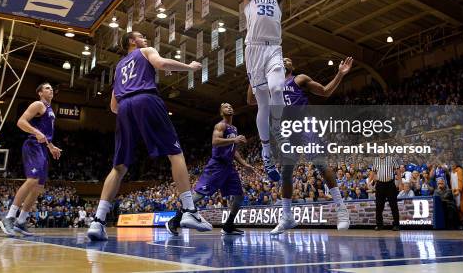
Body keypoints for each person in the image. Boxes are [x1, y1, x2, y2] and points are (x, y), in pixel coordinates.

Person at [87, 31, 212, 241]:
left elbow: (113, 106)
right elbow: (161, 63)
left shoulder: (118, 67)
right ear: (132, 41)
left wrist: (131, 106)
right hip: (146, 99)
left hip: (125, 108)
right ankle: (190, 210)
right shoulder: (145, 51)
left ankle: (97, 222)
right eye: (142, 37)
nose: (146, 39)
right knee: (175, 153)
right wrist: (189, 67)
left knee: (119, 167)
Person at [248, 56, 353, 234]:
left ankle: (341, 208)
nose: (285, 60)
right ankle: (287, 216)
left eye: (288, 59)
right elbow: (251, 100)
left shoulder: (299, 79)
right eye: (282, 58)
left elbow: (325, 91)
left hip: (304, 124)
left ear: (292, 66)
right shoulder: (271, 86)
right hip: (286, 131)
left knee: (320, 163)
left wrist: (340, 74)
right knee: (286, 172)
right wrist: (255, 75)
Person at [242, 0, 289, 182]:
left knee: (277, 89)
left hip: (273, 50)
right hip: (254, 51)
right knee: (262, 103)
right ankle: (266, 152)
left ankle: (280, 132)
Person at [167, 103, 255, 236]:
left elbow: (233, 150)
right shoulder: (220, 125)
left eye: (231, 106)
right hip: (217, 165)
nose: (229, 108)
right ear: (221, 112)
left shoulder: (234, 128)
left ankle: (228, 226)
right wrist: (234, 140)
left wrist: (244, 164)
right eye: (226, 107)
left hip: (229, 167)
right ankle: (174, 221)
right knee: (200, 195)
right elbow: (215, 141)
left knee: (239, 197)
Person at [0, 82, 62, 237]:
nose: (51, 89)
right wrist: (35, 132)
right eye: (47, 88)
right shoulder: (38, 104)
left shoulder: (50, 109)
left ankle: (21, 221)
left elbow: (44, 134)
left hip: (42, 147)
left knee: (39, 188)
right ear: (39, 93)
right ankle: (9, 217)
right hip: (32, 145)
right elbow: (21, 122)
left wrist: (51, 146)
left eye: (51, 88)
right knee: (32, 179)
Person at [372, 154, 400, 231]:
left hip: (390, 184)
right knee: (379, 206)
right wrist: (373, 180)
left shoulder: (391, 159)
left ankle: (396, 225)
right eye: (379, 151)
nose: (381, 152)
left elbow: (397, 170)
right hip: (380, 184)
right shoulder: (376, 160)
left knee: (393, 205)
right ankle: (379, 225)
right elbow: (374, 172)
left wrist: (400, 182)